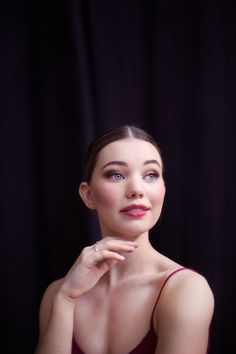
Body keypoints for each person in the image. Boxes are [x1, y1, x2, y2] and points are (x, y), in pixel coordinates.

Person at [35, 125, 214, 354]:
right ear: (88, 195)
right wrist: (66, 300)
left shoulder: (186, 290)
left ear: (163, 189)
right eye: (116, 175)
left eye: (151, 175)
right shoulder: (57, 293)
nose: (137, 190)